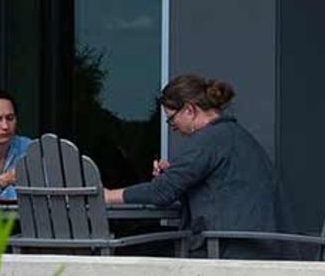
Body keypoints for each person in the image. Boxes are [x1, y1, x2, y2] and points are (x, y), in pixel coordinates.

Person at [109, 75, 287, 249]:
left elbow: (161, 192)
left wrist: (108, 196)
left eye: (171, 120)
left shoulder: (209, 140)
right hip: (258, 246)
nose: (173, 127)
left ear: (189, 110)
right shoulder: (234, 135)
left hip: (230, 250)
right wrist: (173, 175)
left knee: (140, 249)